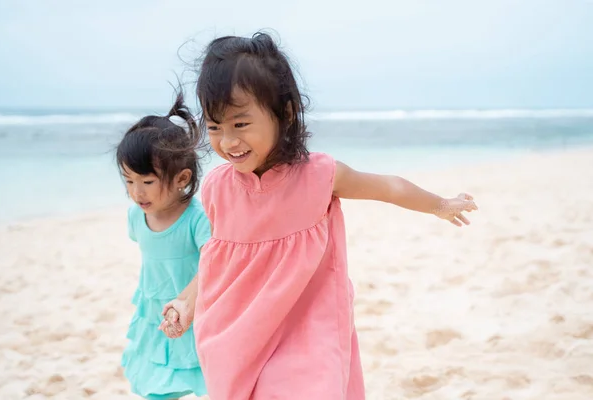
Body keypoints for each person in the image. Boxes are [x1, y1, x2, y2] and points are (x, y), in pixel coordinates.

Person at [159, 32, 478, 400]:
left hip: (309, 327)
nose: (228, 141)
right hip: (238, 334)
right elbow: (218, 259)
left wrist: (440, 205)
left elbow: (388, 187)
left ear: (285, 113)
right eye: (215, 127)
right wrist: (187, 301)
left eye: (241, 124)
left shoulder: (319, 176)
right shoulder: (217, 187)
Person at [117, 91, 210, 400]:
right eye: (128, 181)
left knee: (207, 379)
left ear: (182, 178)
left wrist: (189, 303)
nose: (136, 192)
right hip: (155, 314)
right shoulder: (135, 218)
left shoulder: (196, 219)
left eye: (146, 181)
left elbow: (215, 262)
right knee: (156, 384)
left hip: (197, 311)